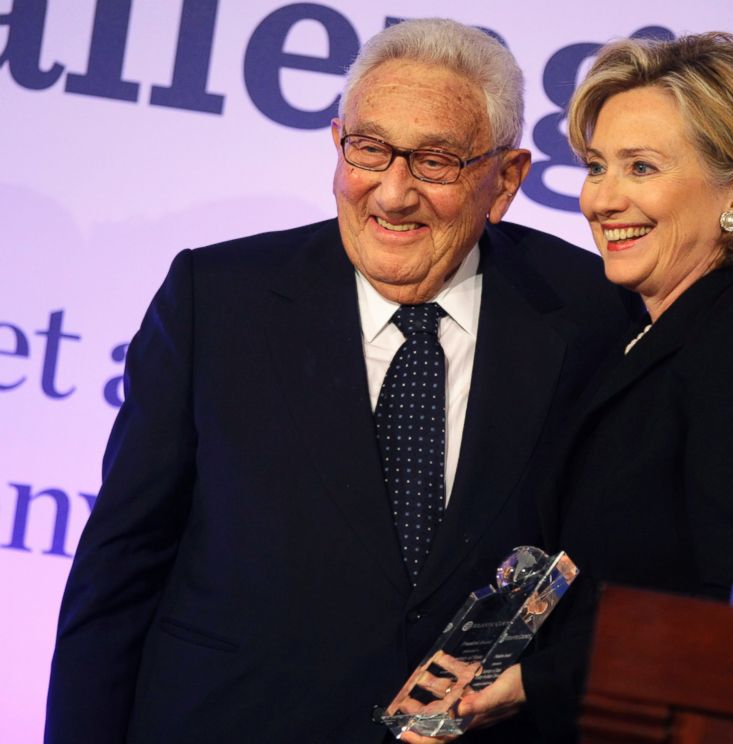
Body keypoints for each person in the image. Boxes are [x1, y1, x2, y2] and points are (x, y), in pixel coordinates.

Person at [44, 19, 639, 744]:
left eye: (437, 161)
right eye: (369, 150)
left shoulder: (592, 314)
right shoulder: (218, 298)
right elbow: (120, 569)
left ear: (506, 179)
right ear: (337, 144)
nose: (392, 194)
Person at [455, 32, 733, 742]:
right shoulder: (647, 338)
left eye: (641, 167)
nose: (603, 199)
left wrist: (537, 680)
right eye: (597, 166)